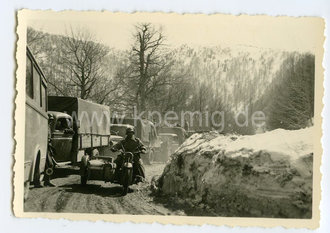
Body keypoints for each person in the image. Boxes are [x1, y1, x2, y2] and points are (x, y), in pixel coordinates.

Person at [43, 114, 56, 187]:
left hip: (48, 146)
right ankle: (46, 181)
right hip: (45, 146)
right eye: (50, 120)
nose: (51, 121)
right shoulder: (44, 127)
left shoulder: (48, 127)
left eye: (51, 120)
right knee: (50, 164)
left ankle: (47, 181)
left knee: (50, 164)